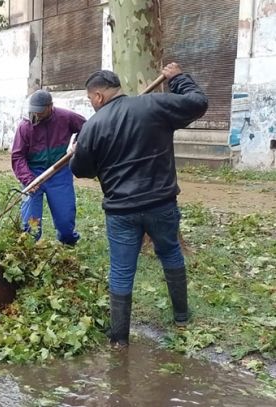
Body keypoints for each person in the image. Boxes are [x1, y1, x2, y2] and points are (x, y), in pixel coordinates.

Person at [69, 63, 208, 348]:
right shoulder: (154, 105)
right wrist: (179, 79)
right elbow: (198, 103)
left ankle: (119, 340)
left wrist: (75, 153)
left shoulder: (92, 127)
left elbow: (82, 171)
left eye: (89, 99)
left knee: (121, 270)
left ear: (98, 97)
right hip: (161, 204)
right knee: (170, 253)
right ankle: (181, 317)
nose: (91, 104)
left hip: (121, 212)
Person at [11, 89, 85, 245]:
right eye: (34, 111)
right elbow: (17, 156)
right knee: (30, 224)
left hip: (59, 173)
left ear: (50, 106)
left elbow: (87, 128)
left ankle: (68, 242)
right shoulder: (25, 126)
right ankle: (29, 248)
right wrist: (28, 180)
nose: (36, 115)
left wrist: (78, 142)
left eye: (40, 112)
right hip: (33, 174)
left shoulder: (65, 117)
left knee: (65, 222)